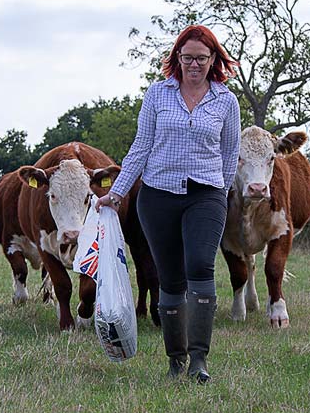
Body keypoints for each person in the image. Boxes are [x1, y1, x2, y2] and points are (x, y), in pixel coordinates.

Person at [96, 25, 240, 382]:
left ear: (213, 60)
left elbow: (229, 154)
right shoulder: (158, 95)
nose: (194, 64)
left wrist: (220, 197)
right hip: (158, 195)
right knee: (169, 279)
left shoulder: (226, 101)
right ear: (177, 57)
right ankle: (175, 361)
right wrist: (117, 193)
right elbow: (141, 147)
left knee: (201, 266)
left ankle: (199, 361)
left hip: (206, 194)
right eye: (187, 57)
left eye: (201, 58)